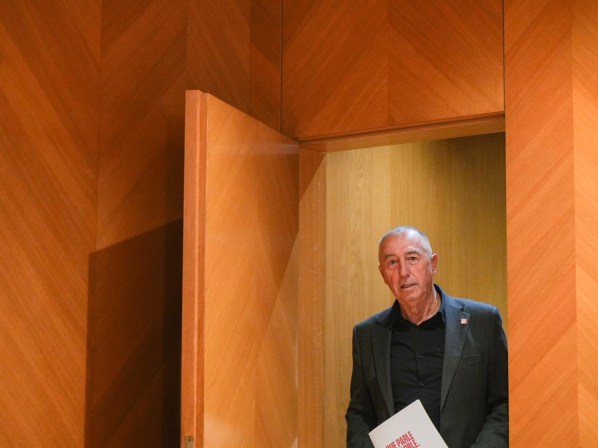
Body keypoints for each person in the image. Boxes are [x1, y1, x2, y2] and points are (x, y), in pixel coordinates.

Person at [345, 226, 508, 448]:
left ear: (433, 264)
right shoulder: (367, 334)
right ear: (383, 274)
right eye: (392, 262)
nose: (403, 272)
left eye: (412, 258)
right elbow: (360, 413)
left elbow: (504, 403)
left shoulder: (483, 322)